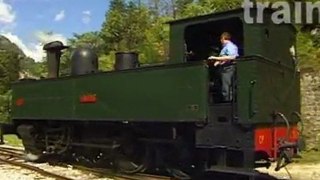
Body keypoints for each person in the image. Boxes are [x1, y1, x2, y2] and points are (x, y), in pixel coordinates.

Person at [208, 32, 239, 102]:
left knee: (227, 88)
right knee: (223, 87)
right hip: (224, 69)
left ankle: (228, 102)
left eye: (221, 39)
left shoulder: (230, 46)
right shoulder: (225, 48)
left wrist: (215, 58)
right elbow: (224, 57)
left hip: (228, 69)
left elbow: (231, 57)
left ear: (223, 39)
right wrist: (217, 62)